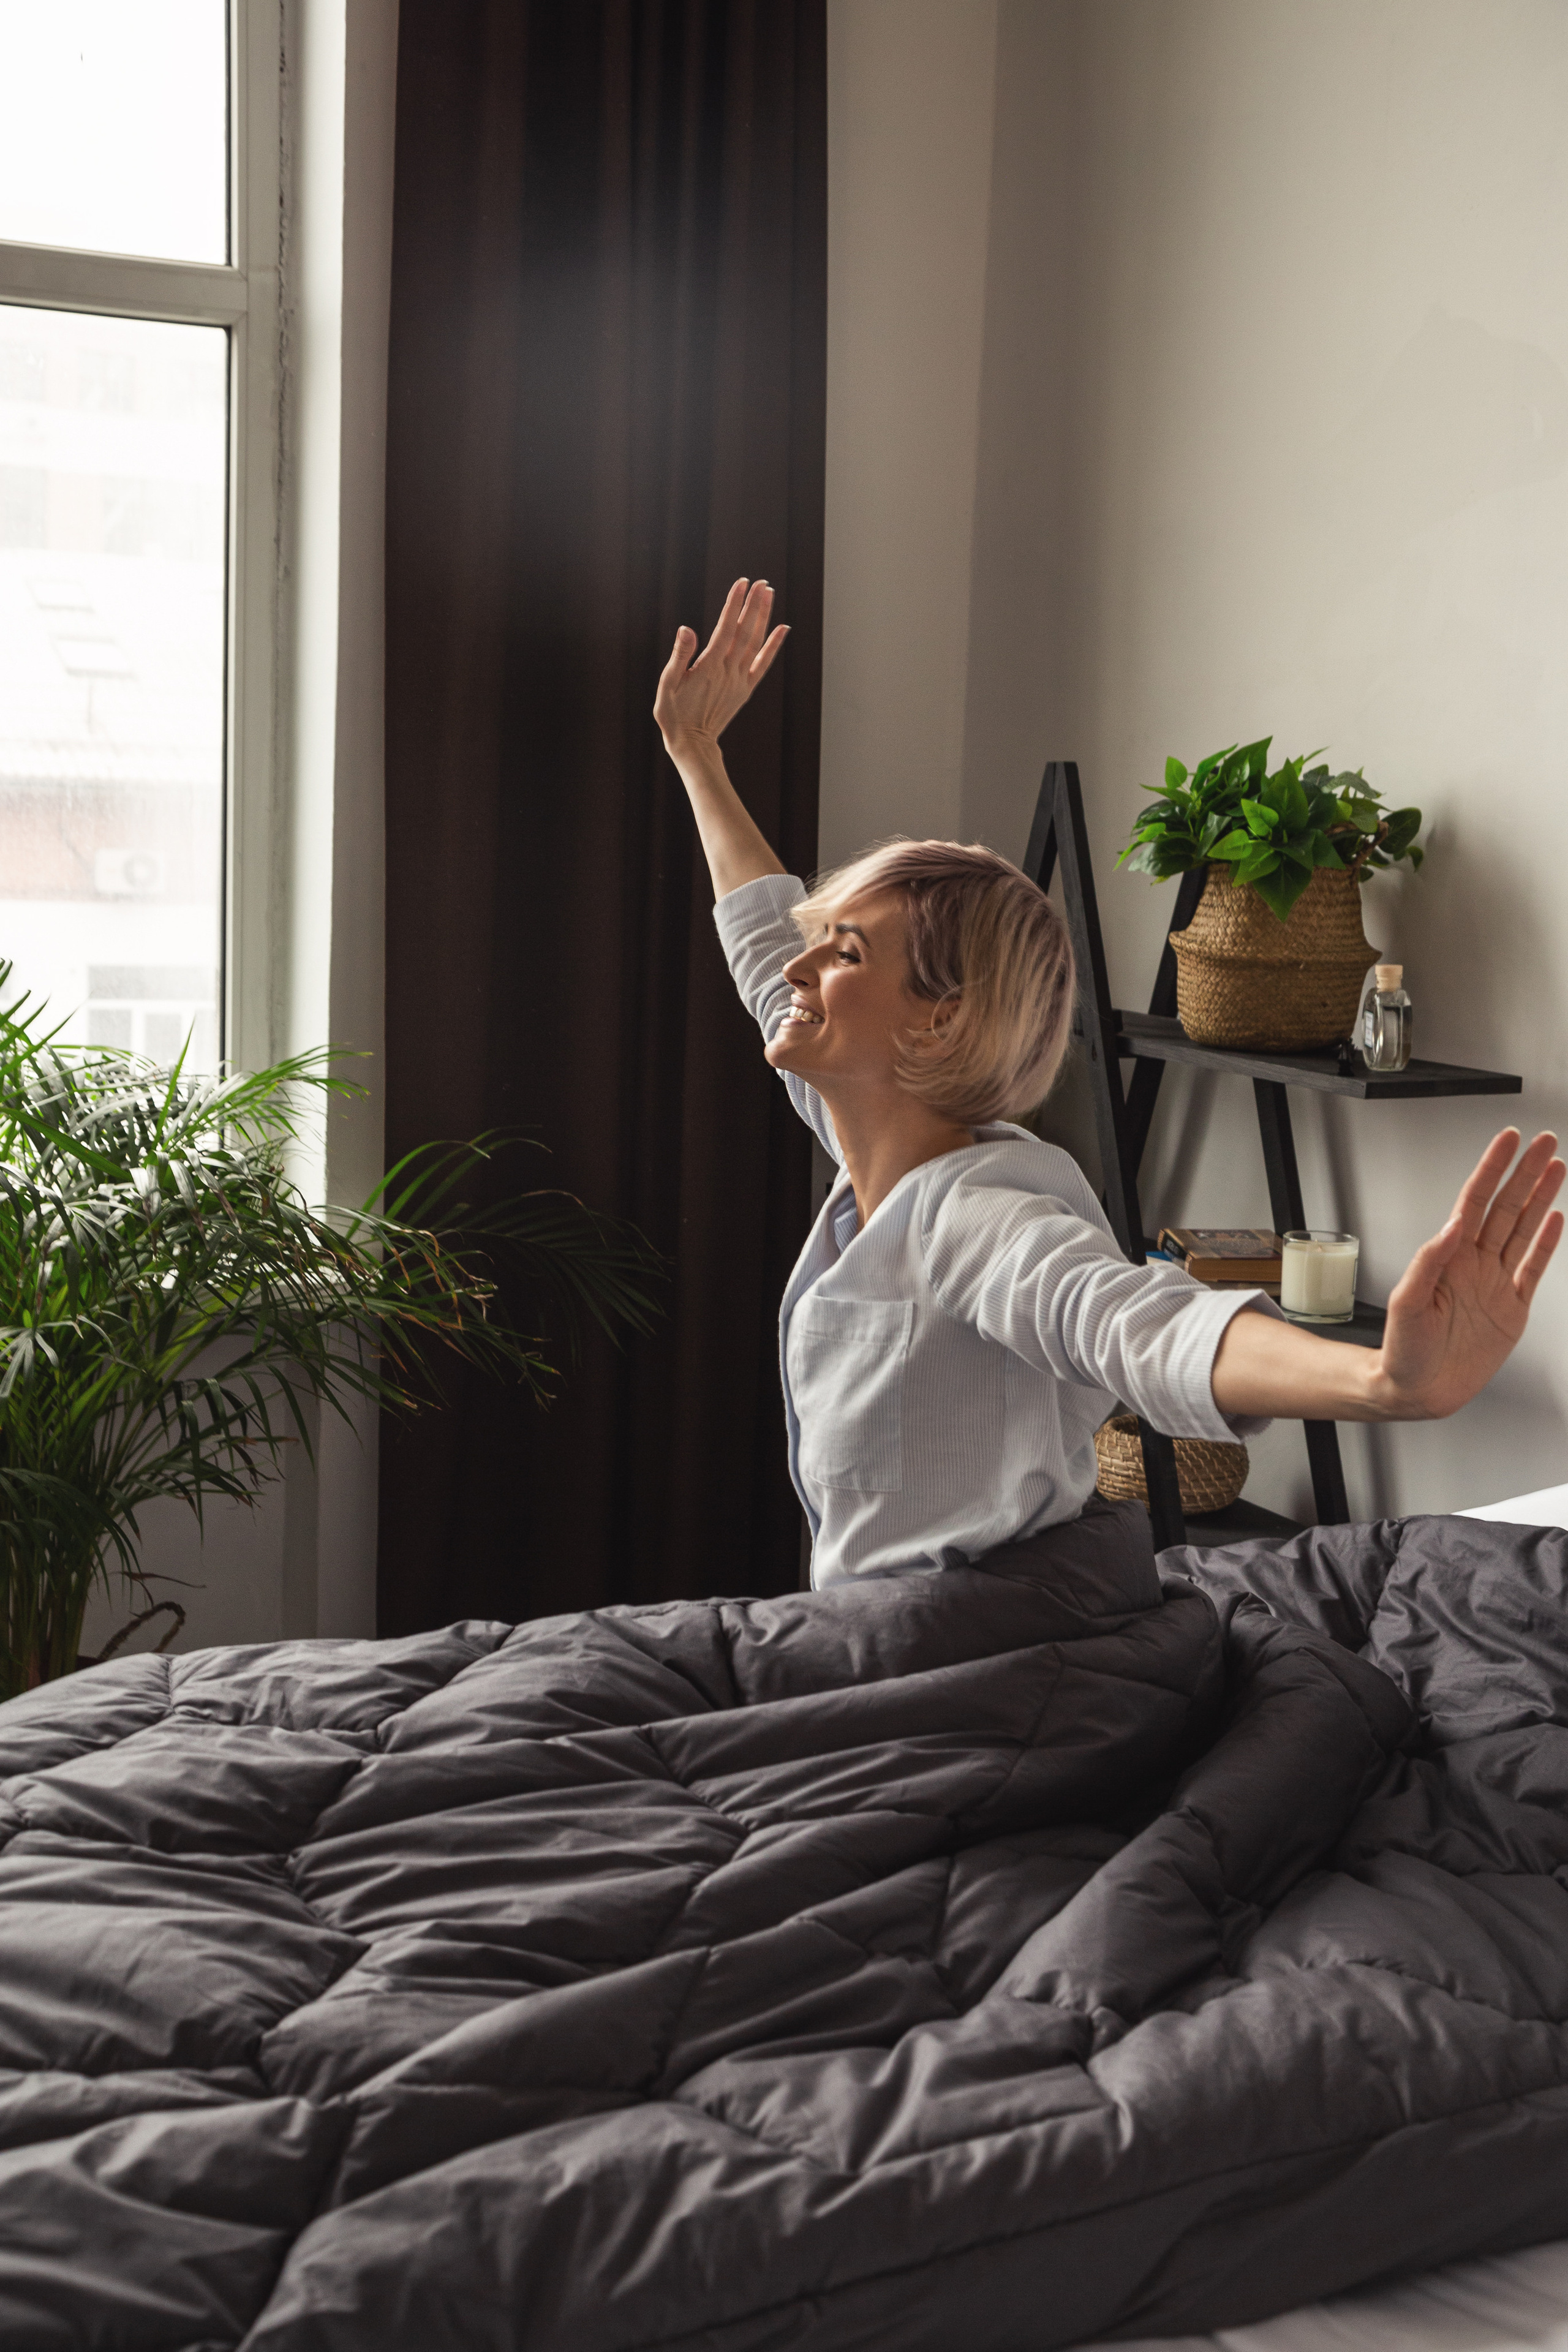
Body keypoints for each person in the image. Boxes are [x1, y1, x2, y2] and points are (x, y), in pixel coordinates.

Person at [654, 576, 1565, 1589]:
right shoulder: (873, 1137)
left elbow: (1135, 1323)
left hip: (966, 1657)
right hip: (893, 1635)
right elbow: (760, 937)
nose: (797, 971)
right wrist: (699, 757)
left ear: (941, 1016)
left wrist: (1387, 1382)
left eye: (844, 955)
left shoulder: (978, 1220)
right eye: (817, 947)